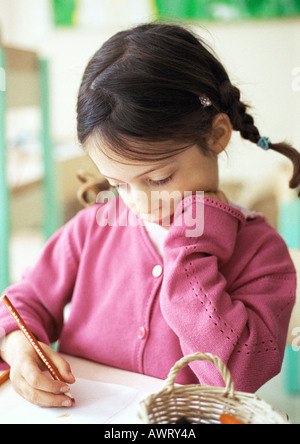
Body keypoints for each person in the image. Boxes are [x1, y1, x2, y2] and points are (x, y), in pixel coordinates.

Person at [0, 23, 299, 408]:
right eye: (118, 184)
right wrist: (18, 346)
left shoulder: (262, 252)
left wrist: (191, 246)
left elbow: (239, 376)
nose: (138, 204)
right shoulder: (92, 228)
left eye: (158, 179)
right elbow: (22, 304)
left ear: (218, 134)